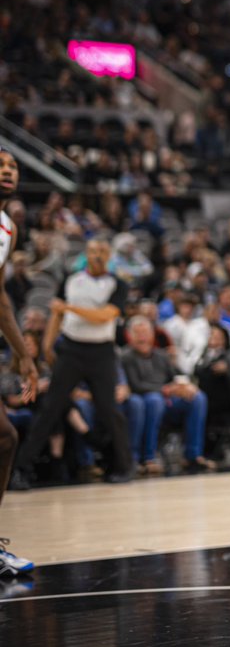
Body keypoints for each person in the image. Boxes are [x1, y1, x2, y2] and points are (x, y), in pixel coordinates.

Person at [12, 235, 132, 489]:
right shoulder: (71, 280)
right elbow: (56, 312)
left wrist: (70, 309)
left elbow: (105, 316)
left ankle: (123, 467)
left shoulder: (117, 284)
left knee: (109, 411)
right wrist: (47, 345)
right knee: (50, 409)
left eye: (102, 250)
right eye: (93, 250)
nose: (97, 254)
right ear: (86, 254)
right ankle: (20, 468)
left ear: (108, 256)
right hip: (71, 350)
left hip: (101, 353)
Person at [0, 149, 38, 573]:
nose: (8, 170)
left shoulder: (7, 227)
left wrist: (24, 355)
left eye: (12, 165)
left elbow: (0, 297)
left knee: (5, 439)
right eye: (0, 164)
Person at [120, 316, 213, 473]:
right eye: (138, 333)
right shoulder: (125, 357)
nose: (143, 337)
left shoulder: (161, 356)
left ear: (152, 335)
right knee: (154, 400)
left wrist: (186, 386)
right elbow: (134, 386)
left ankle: (193, 455)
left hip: (167, 403)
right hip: (144, 403)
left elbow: (177, 376)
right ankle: (148, 457)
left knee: (197, 398)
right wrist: (166, 390)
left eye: (145, 333)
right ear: (130, 336)